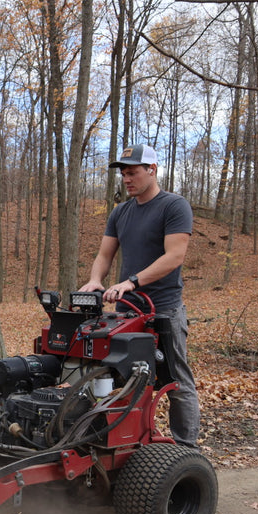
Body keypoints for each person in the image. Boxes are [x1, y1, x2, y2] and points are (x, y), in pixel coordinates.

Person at [78, 144, 200, 448]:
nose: (127, 179)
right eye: (123, 174)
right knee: (121, 380)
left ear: (152, 170)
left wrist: (132, 281)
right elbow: (105, 254)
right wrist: (95, 280)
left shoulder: (174, 206)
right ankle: (126, 445)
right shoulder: (121, 212)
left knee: (176, 382)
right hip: (126, 313)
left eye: (132, 172)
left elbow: (174, 256)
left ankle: (186, 451)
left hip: (164, 312)